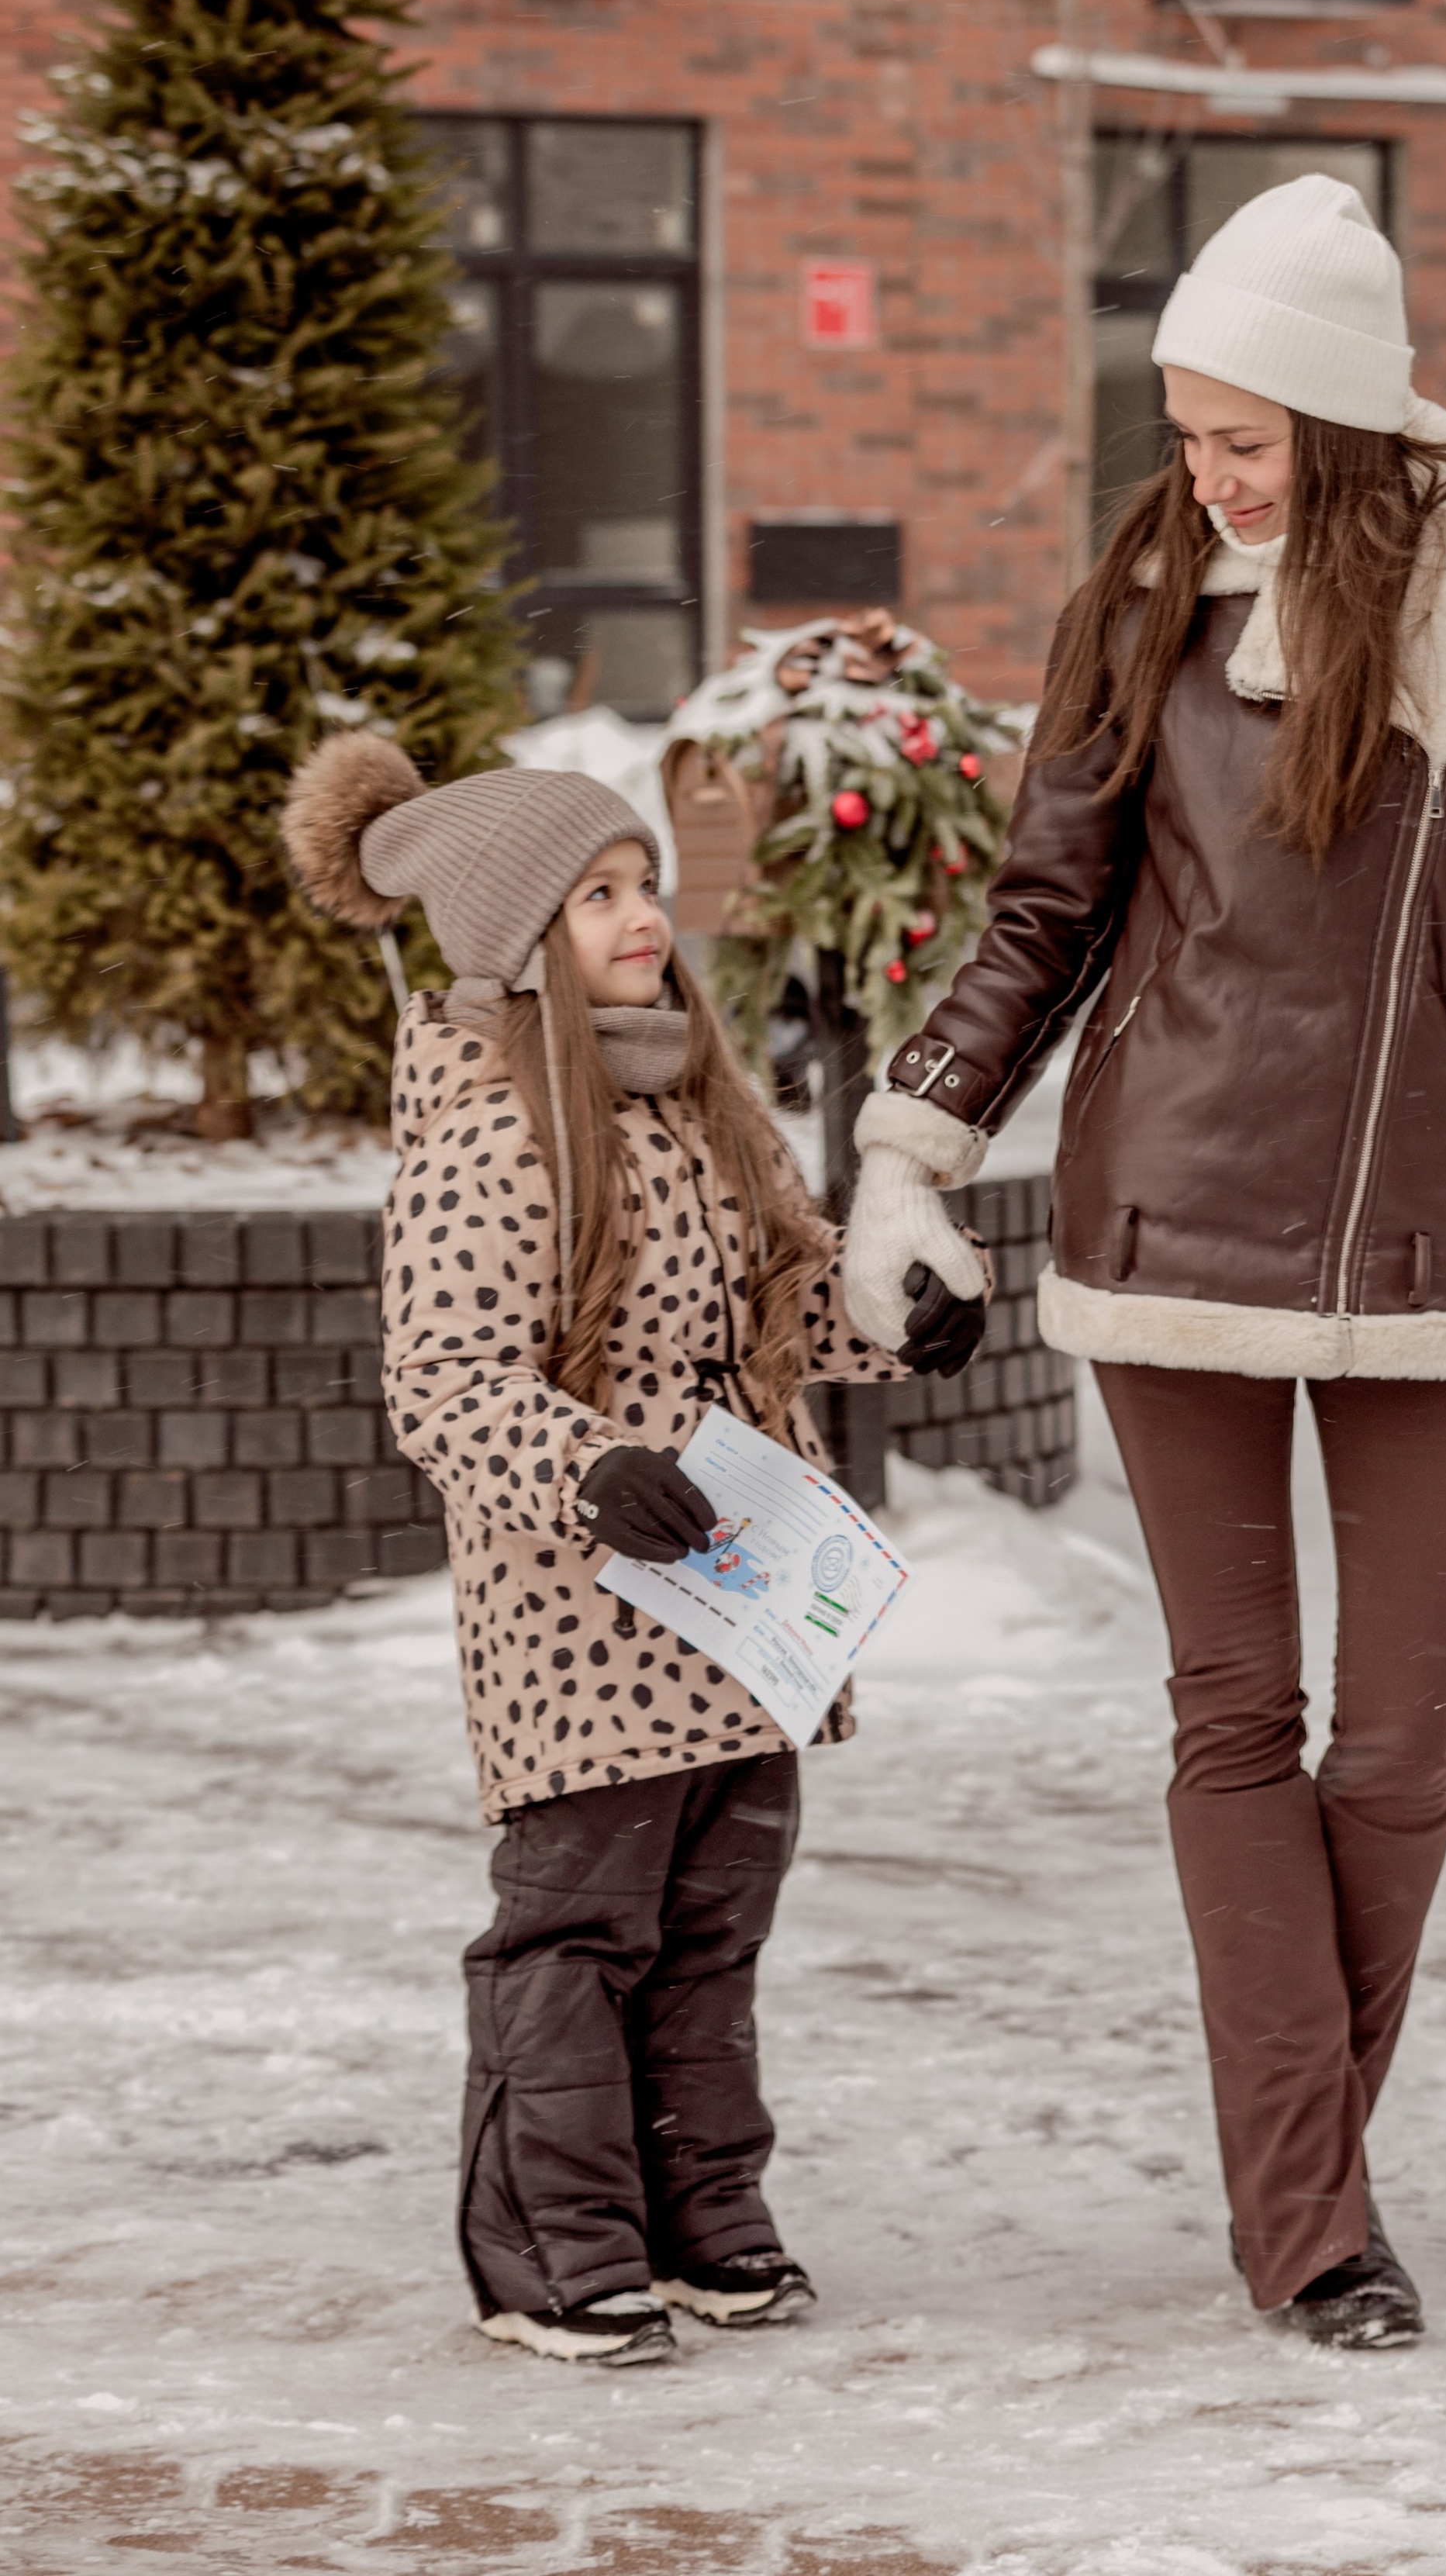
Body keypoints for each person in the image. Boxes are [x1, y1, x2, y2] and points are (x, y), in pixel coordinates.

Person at [841, 174, 1446, 2349]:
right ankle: (1318, 2225)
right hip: (1169, 1219)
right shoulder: (1143, 605)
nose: (1205, 475)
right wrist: (912, 1151)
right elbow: (1040, 914)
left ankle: (1301, 2176)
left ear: (1343, 425)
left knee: (1404, 1745)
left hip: (1439, 1238)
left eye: (1243, 438)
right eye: (1189, 432)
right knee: (1235, 1717)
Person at [284, 742, 983, 2367]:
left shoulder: (694, 1102)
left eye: (643, 883)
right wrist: (591, 1468)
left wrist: (894, 1311)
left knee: (712, 1927)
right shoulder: (493, 1135)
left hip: (739, 1609)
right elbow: (444, 1383)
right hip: (580, 1615)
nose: (641, 916)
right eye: (595, 894)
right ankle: (555, 2246)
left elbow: (780, 1302)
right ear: (516, 939)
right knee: (579, 1929)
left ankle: (703, 2216)